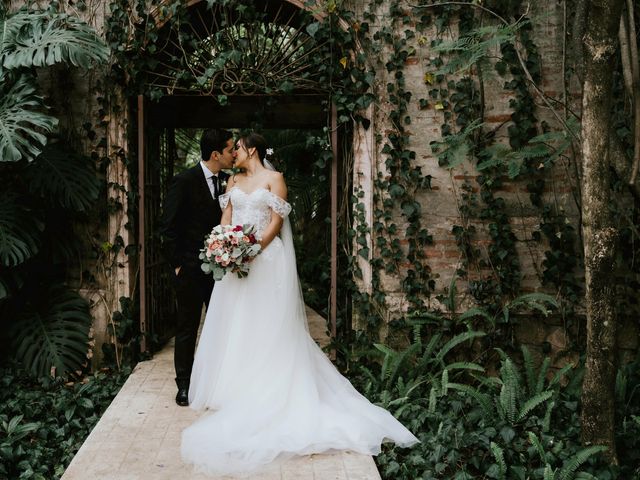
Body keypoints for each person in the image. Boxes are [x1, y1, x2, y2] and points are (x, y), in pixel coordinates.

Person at [181, 132, 418, 475]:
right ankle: (234, 386)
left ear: (253, 149)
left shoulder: (275, 179)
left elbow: (276, 224)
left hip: (264, 261)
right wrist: (224, 244)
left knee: (267, 324)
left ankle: (270, 383)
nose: (234, 153)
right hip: (236, 264)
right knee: (238, 323)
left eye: (239, 148)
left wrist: (249, 250)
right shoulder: (233, 179)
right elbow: (227, 218)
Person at [160, 128, 235, 406]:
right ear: (216, 154)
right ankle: (184, 385)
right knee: (187, 327)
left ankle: (216, 382)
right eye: (229, 150)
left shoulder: (230, 182)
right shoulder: (184, 181)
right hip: (190, 269)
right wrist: (178, 264)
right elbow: (167, 228)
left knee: (221, 327)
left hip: (222, 271)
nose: (233, 154)